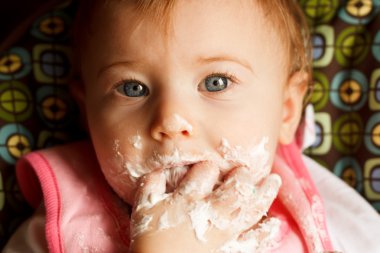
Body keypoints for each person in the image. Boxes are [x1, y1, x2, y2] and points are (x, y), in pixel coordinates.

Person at [4, 0, 380, 252]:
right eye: (132, 88)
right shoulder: (56, 227)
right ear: (87, 114)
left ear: (286, 110)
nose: (170, 120)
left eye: (216, 82)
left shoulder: (333, 221)